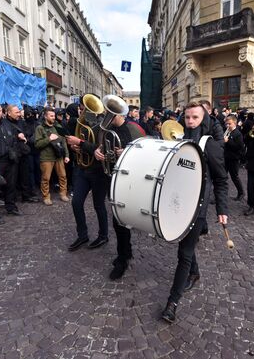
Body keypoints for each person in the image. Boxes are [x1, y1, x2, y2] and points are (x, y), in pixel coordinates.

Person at [161, 102, 228, 323]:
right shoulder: (177, 139)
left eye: (195, 117)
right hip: (177, 201)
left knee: (184, 253)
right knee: (185, 245)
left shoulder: (209, 144)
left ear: (204, 118)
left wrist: (222, 209)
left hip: (197, 206)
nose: (190, 121)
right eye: (187, 117)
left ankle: (172, 303)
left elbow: (221, 179)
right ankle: (195, 272)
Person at [93, 108, 145, 280]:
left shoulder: (134, 129)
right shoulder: (105, 130)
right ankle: (124, 253)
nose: (107, 117)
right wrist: (97, 152)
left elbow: (148, 153)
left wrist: (129, 152)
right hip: (111, 179)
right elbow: (100, 148)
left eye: (111, 113)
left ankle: (123, 257)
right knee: (117, 221)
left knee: (121, 220)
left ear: (120, 114)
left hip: (129, 180)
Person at [65, 97, 110, 251]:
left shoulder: (103, 124)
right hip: (83, 170)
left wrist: (80, 143)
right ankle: (82, 235)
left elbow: (100, 149)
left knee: (99, 205)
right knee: (76, 202)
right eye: (82, 107)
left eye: (85, 107)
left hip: (98, 172)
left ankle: (103, 235)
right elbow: (78, 144)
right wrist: (75, 148)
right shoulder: (81, 123)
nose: (83, 110)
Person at [34, 107, 70, 206]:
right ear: (45, 116)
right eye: (51, 116)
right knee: (46, 178)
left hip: (59, 156)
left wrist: (66, 155)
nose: (53, 117)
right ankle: (46, 197)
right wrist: (49, 139)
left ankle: (63, 194)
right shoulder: (40, 128)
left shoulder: (58, 126)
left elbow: (64, 142)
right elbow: (37, 144)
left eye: (54, 115)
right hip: (46, 157)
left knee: (63, 176)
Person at [223, 115, 245, 200]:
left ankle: (241, 193)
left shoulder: (238, 133)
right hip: (225, 157)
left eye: (229, 124)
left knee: (234, 177)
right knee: (222, 177)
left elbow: (239, 147)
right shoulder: (227, 131)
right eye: (226, 124)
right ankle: (221, 194)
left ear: (235, 123)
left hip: (233, 159)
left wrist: (228, 141)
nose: (227, 126)